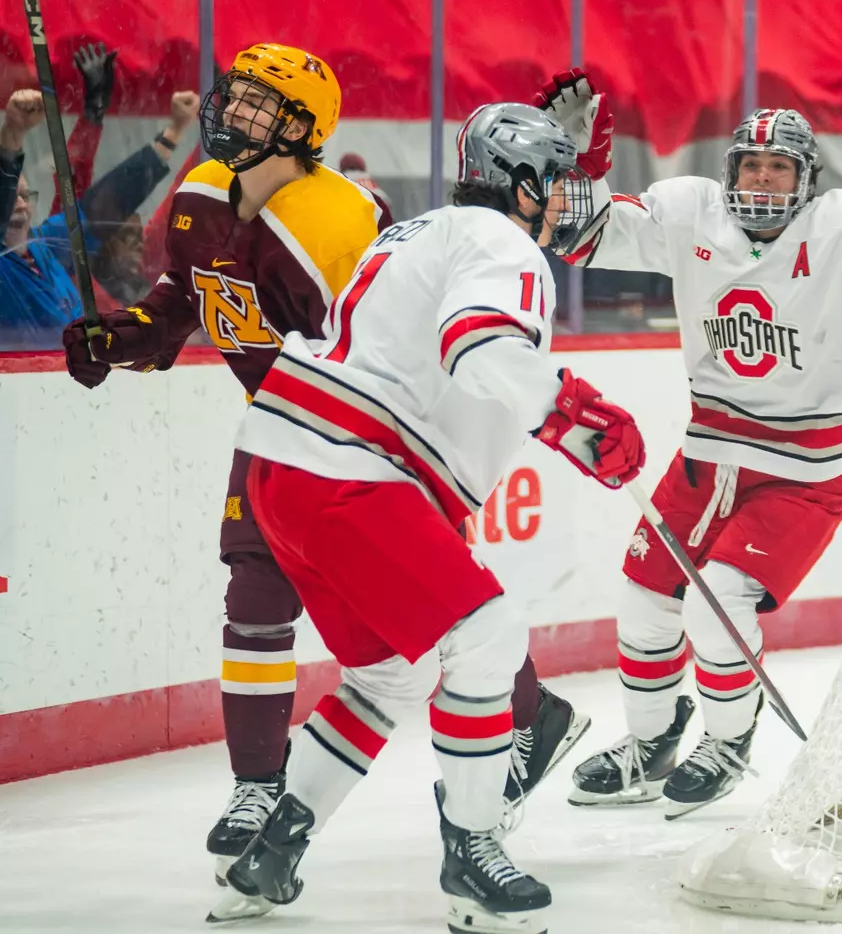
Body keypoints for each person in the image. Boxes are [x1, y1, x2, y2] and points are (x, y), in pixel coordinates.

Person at [56, 45, 581, 887]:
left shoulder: (332, 222)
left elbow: (392, 341)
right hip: (284, 426)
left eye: (260, 106)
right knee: (258, 595)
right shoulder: (198, 200)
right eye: (235, 97)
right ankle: (260, 789)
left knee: (437, 615)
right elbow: (184, 305)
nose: (232, 113)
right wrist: (119, 338)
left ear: (304, 130)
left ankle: (526, 713)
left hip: (371, 439)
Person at [210, 102, 644, 930]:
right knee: (486, 638)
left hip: (285, 470)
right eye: (552, 182)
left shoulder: (418, 232)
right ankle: (472, 857)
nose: (558, 202)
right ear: (519, 181)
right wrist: (576, 418)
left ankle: (274, 845)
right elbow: (477, 346)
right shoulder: (502, 242)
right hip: (352, 471)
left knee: (391, 674)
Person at [535, 69, 842, 814]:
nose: (761, 178)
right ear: (730, 172)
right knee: (642, 599)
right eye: (750, 165)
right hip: (707, 457)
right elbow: (581, 237)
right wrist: (580, 169)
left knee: (715, 607)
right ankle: (651, 741)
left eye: (779, 166)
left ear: (805, 179)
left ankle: (727, 739)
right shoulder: (690, 213)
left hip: (804, 471)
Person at [0, 87, 199, 346]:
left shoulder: (46, 243)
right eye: (11, 196)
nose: (20, 204)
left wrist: (174, 131)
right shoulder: (3, 262)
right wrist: (13, 134)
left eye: (26, 196)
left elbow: (103, 206)